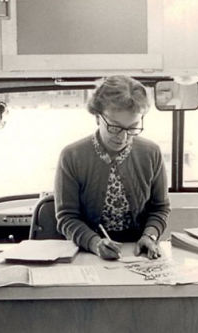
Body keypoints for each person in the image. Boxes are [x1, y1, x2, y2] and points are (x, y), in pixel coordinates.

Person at [54, 75, 170, 260]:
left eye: (132, 128)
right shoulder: (71, 156)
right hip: (86, 252)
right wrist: (95, 243)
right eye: (115, 128)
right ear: (97, 117)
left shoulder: (151, 152)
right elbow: (67, 217)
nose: (123, 137)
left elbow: (160, 208)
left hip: (139, 253)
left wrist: (150, 235)